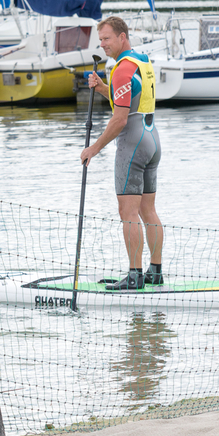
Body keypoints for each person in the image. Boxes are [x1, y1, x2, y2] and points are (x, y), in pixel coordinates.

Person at [81, 16, 164, 291]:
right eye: (100, 39)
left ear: (122, 37)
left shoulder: (121, 69)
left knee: (128, 212)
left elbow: (119, 120)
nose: (102, 44)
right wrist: (103, 88)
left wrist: (94, 148)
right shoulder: (142, 61)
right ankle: (155, 271)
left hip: (133, 142)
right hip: (152, 138)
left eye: (106, 38)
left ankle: (134, 275)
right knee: (147, 209)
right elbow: (127, 99)